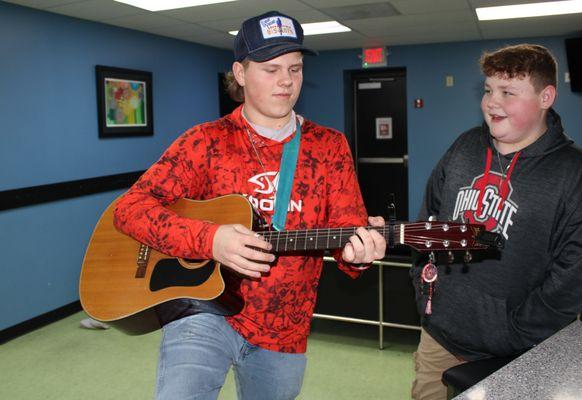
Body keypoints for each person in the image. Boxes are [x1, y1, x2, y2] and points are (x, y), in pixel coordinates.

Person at [113, 10, 386, 400]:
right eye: (271, 69)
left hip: (285, 327)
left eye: (295, 68)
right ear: (240, 74)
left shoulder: (330, 147)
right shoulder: (204, 141)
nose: (287, 81)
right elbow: (131, 208)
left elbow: (347, 230)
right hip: (201, 311)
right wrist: (210, 239)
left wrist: (359, 255)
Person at [410, 44, 582, 400]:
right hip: (439, 334)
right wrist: (426, 291)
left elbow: (577, 274)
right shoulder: (465, 146)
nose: (491, 102)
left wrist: (515, 332)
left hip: (517, 350)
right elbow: (429, 221)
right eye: (487, 90)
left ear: (546, 97)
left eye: (507, 92)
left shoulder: (577, 174)